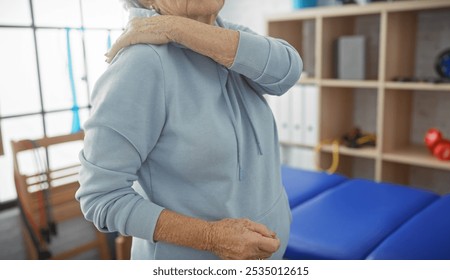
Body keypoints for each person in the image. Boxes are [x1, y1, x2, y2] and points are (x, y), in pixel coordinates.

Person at [76, 0, 302, 260]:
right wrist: (210, 237)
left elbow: (288, 70)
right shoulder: (141, 64)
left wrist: (176, 28)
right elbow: (101, 197)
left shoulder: (224, 34)